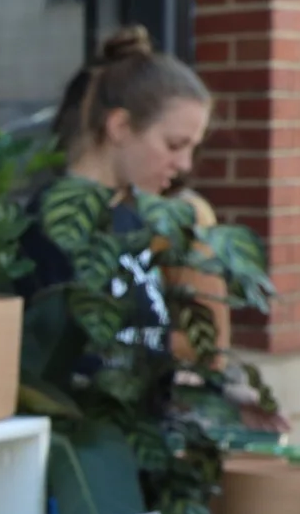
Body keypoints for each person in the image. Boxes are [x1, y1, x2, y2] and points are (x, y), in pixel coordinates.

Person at [24, 24, 230, 359]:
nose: (185, 165)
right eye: (174, 145)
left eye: (192, 148)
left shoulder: (131, 219)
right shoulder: (56, 227)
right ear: (119, 126)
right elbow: (77, 363)